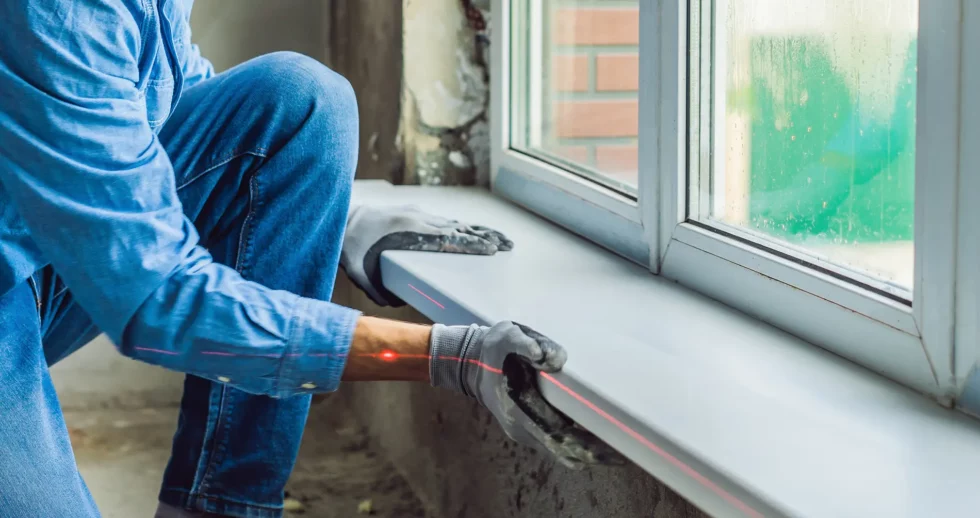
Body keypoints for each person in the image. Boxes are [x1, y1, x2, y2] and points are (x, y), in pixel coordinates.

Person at [0, 2, 611, 517]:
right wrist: (452, 358)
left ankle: (220, 507)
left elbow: (176, 103)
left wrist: (336, 216)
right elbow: (158, 301)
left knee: (298, 100)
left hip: (42, 249)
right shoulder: (59, 12)